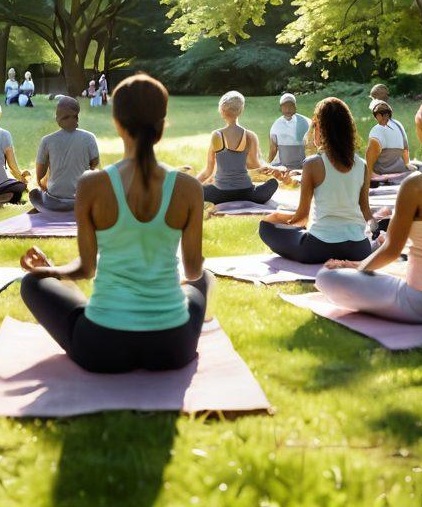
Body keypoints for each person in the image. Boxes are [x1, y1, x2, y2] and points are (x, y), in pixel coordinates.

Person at [20, 73, 212, 373]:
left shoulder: (91, 185)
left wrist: (50, 270)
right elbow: (192, 270)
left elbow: (86, 269)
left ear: (117, 123)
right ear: (162, 124)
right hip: (172, 347)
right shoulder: (189, 188)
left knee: (32, 283)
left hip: (102, 346)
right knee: (204, 279)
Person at [316, 92, 422, 324]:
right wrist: (358, 265)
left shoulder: (416, 185)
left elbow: (392, 251)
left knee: (327, 277)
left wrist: (356, 272)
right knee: (388, 271)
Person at [258, 97, 372, 264]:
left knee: (266, 227)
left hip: (318, 248)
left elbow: (301, 219)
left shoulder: (313, 164)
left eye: (315, 126)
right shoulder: (362, 165)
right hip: (359, 249)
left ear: (321, 129)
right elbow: (366, 213)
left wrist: (274, 216)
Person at [196, 91, 283, 206]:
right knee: (273, 183)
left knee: (201, 190)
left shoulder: (216, 136)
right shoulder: (250, 136)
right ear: (241, 111)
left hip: (220, 194)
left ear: (222, 111)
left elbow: (208, 171)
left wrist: (191, 184)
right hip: (246, 192)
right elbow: (255, 164)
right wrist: (274, 168)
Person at [29, 97, 100, 212]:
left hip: (54, 201)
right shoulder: (89, 138)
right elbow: (94, 166)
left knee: (35, 194)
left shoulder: (47, 140)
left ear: (58, 118)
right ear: (77, 116)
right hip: (81, 200)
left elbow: (39, 177)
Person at [365, 101, 412, 180]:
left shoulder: (377, 129)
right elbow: (405, 149)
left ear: (379, 116)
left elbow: (371, 154)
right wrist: (407, 164)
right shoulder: (398, 124)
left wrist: (369, 174)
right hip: (400, 167)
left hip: (383, 170)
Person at [267, 93, 312, 172]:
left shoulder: (307, 122)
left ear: (295, 107)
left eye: (290, 106)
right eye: (285, 106)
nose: (288, 109)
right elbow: (272, 149)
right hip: (282, 167)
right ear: (281, 108)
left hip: (302, 167)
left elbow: (312, 147)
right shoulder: (276, 125)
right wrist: (267, 166)